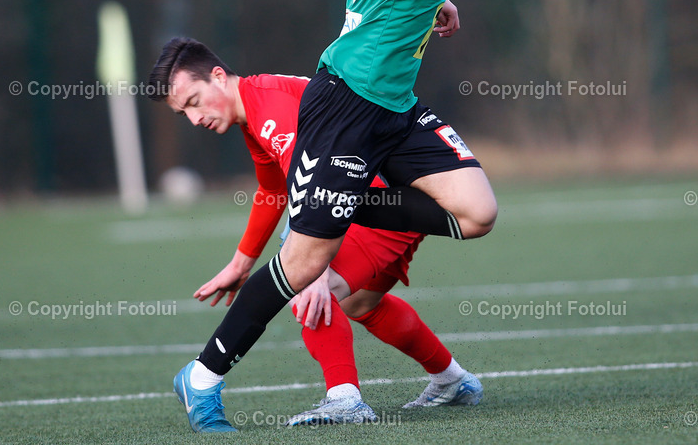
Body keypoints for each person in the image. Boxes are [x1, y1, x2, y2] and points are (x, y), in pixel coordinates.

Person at [167, 0, 510, 433]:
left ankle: (352, 209)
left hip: (394, 108)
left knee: (478, 211)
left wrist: (421, 4)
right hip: (347, 101)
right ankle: (204, 376)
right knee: (305, 267)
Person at [148, 37, 484, 426]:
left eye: (193, 101)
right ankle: (451, 380)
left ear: (218, 77)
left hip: (371, 202)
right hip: (384, 203)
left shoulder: (269, 107)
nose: (194, 118)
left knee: (305, 288)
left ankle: (343, 399)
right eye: (183, 113)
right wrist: (241, 263)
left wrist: (316, 266)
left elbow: (318, 185)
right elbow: (274, 191)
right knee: (360, 304)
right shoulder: (256, 110)